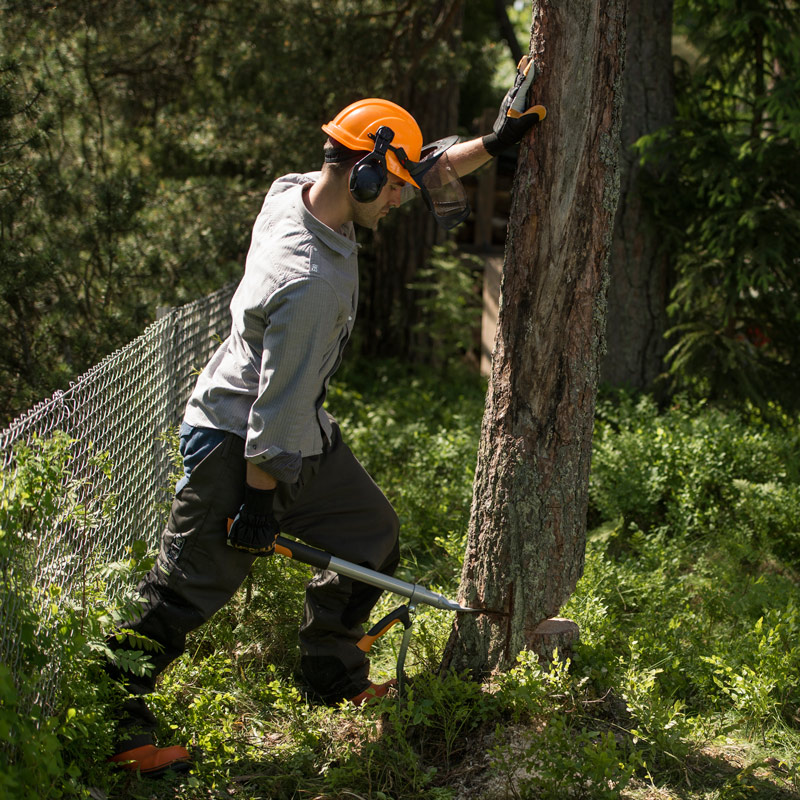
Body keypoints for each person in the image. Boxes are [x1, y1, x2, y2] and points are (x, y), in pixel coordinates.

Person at [107, 58, 545, 778]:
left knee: (369, 534)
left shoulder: (296, 192)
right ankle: (114, 721)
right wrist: (255, 501)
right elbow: (273, 410)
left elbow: (420, 161)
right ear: (365, 175)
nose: (403, 201)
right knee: (190, 585)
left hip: (293, 428)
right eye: (396, 191)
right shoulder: (311, 281)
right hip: (241, 442)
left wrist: (492, 145)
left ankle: (329, 673)